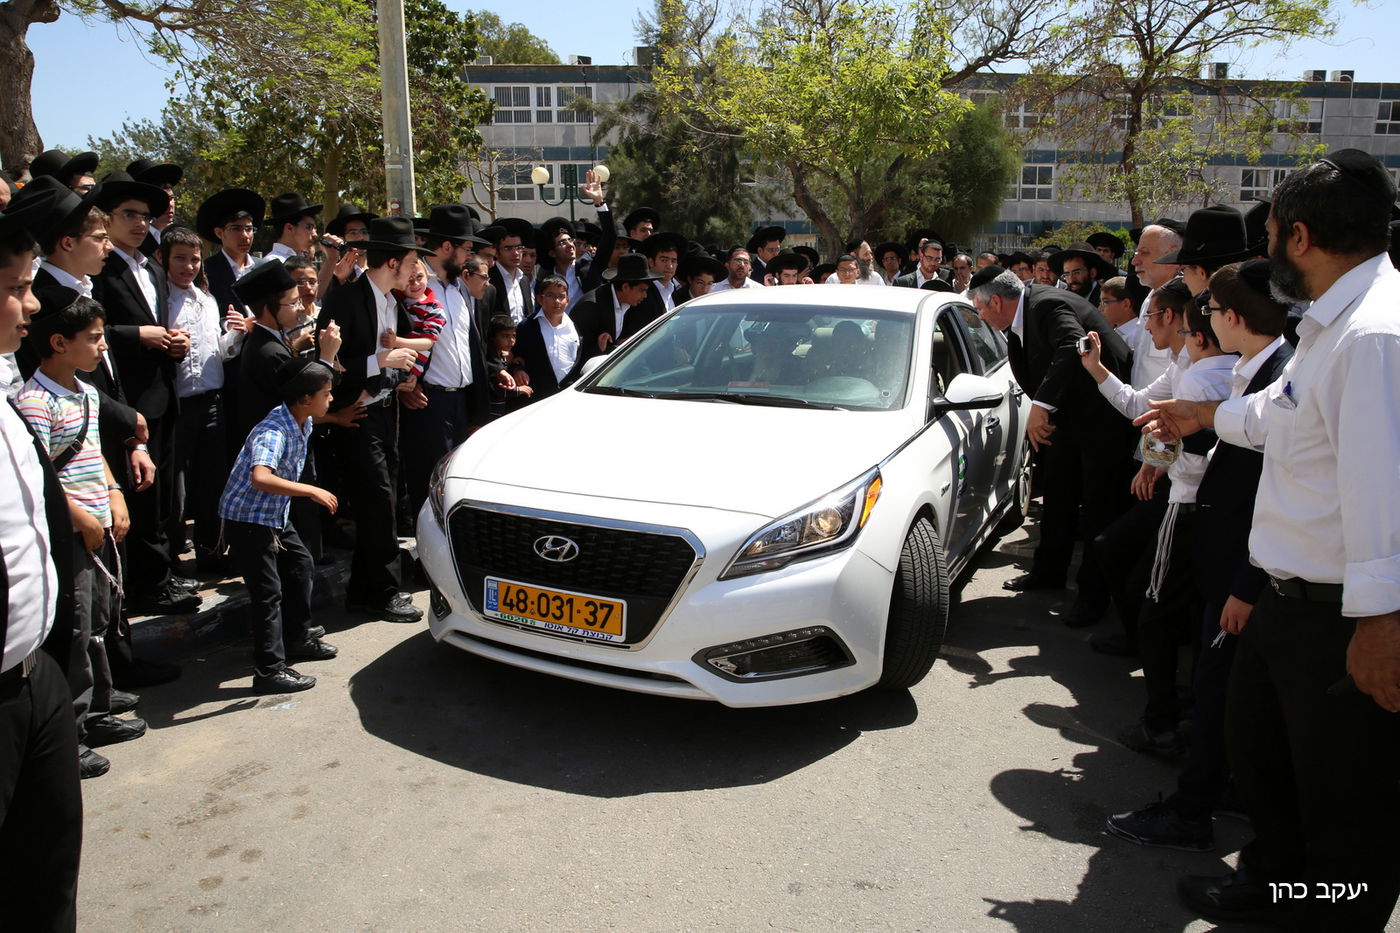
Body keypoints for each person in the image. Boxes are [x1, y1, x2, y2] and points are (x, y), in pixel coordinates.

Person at [1140, 149, 1400, 933]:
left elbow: (1384, 495)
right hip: (1287, 599)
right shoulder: (1327, 324)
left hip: (1342, 619)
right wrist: (1199, 416)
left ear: (1302, 236)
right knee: (1262, 759)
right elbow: (1275, 416)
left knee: (1346, 809)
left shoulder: (1374, 335)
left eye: (1273, 234)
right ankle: (1273, 881)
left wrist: (1382, 627)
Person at [1106, 259, 1292, 853]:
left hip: (1245, 569)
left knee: (1221, 693)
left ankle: (1194, 811)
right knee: (1229, 695)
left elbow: (1277, 491)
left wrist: (1246, 583)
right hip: (1233, 563)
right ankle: (1221, 791)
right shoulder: (1252, 372)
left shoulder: (1280, 376)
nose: (1196, 328)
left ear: (1230, 317)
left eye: (1203, 315)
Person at [1080, 280, 1235, 756]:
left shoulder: (1203, 375)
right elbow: (1142, 409)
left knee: (1158, 608)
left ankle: (1163, 721)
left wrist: (1159, 457)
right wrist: (1097, 369)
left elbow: (1184, 432)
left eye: (1156, 317)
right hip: (1190, 498)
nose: (1147, 325)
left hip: (1190, 504)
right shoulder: (1205, 367)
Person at [18, 291, 146, 779]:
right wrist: (84, 519)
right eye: (93, 339)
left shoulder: (87, 393)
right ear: (57, 342)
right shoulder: (33, 403)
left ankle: (100, 706)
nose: (102, 348)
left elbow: (93, 454)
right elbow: (44, 480)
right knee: (74, 630)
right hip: (71, 533)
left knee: (99, 618)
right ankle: (68, 737)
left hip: (100, 524)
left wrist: (113, 494)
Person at [0, 191, 83, 930]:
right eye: (19, 289)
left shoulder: (5, 388)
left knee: (48, 871)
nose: (32, 309)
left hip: (36, 674)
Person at [969, 266, 1135, 615]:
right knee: (1059, 495)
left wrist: (1040, 407)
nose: (980, 315)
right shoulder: (1021, 316)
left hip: (1101, 419)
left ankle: (1092, 598)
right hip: (1067, 418)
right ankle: (1048, 572)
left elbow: (1073, 346)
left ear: (996, 301)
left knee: (1096, 508)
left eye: (980, 308)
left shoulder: (1046, 305)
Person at [91, 171, 196, 616]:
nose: (139, 222)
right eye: (129, 214)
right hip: (124, 396)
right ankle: (145, 583)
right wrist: (142, 335)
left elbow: (159, 324)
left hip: (163, 389)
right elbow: (94, 330)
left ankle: (162, 571)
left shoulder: (151, 266)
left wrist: (173, 342)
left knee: (163, 495)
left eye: (145, 215)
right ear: (108, 218)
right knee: (138, 493)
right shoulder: (101, 266)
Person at [315, 217, 428, 623]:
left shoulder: (392, 302)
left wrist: (398, 373)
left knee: (385, 502)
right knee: (376, 505)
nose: (418, 271)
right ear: (393, 261)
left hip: (385, 411)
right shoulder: (347, 298)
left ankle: (369, 591)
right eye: (413, 261)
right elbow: (326, 359)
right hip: (356, 414)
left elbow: (407, 353)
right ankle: (381, 593)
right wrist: (380, 361)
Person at [218, 358, 340, 694]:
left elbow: (321, 404)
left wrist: (338, 416)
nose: (330, 399)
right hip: (248, 519)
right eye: (326, 395)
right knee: (267, 594)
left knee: (301, 564)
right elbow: (261, 477)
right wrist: (311, 490)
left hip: (273, 515)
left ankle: (298, 638)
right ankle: (269, 671)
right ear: (304, 399)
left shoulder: (302, 418)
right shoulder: (272, 431)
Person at [160, 226, 245, 572]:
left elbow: (217, 353)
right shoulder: (159, 300)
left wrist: (236, 334)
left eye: (194, 259)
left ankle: (211, 552)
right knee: (175, 487)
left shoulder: (207, 300)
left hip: (212, 402)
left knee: (213, 480)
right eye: (180, 258)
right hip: (177, 405)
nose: (188, 266)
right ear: (164, 259)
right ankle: (172, 559)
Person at [196, 188, 265, 320]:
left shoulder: (263, 268)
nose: (245, 236)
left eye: (249, 229)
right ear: (219, 233)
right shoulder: (206, 271)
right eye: (236, 229)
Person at [514, 276, 580, 400]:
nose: (557, 301)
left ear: (567, 300)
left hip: (568, 394)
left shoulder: (575, 327)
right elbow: (517, 356)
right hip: (537, 396)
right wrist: (518, 370)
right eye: (550, 296)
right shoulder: (527, 327)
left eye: (561, 296)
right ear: (540, 299)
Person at [485, 314, 533, 416]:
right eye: (505, 336)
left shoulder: (505, 356)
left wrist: (516, 366)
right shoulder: (489, 360)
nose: (511, 340)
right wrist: (517, 391)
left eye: (513, 336)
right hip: (490, 412)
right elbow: (493, 387)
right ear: (493, 337)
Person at [1049, 243, 1117, 306]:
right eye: (1066, 274)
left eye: (1076, 273)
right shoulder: (1062, 300)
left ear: (1092, 273)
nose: (1071, 279)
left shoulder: (1108, 302)